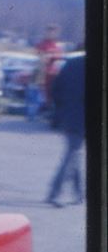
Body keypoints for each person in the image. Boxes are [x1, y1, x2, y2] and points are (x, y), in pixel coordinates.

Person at [45, 52, 85, 207]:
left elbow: (55, 89)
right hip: (82, 117)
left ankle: (79, 194)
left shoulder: (71, 64)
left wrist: (61, 110)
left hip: (69, 116)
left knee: (74, 152)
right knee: (72, 153)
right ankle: (55, 193)